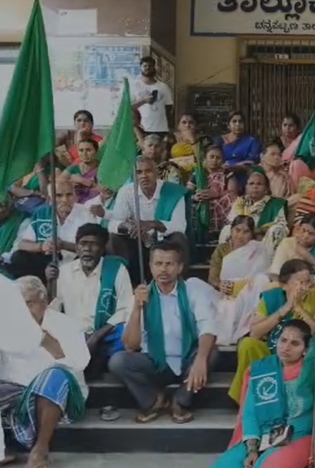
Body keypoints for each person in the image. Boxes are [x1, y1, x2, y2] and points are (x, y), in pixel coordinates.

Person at [108, 242, 218, 424]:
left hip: (187, 359)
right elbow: (130, 345)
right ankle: (155, 400)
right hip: (156, 362)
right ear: (151, 267)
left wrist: (200, 360)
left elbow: (208, 328)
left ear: (180, 267)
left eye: (169, 264)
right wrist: (137, 308)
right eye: (158, 264)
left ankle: (180, 400)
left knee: (210, 353)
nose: (163, 269)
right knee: (118, 361)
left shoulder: (193, 291)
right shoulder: (141, 294)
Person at [0, 277, 90, 468]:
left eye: (28, 304)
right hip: (19, 396)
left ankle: (40, 450)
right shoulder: (9, 326)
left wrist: (50, 344)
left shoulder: (66, 324)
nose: (23, 311)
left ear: (44, 300)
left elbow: (79, 364)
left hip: (60, 397)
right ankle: (5, 448)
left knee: (54, 375)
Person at [211, 320, 315, 468]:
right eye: (283, 340)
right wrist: (252, 449)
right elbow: (250, 413)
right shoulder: (263, 370)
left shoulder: (312, 373)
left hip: (297, 436)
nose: (286, 347)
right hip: (263, 435)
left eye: (295, 343)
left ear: (305, 349)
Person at [229, 259, 315, 403]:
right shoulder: (271, 297)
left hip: (302, 355)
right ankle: (247, 402)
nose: (305, 287)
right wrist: (285, 309)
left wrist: (297, 308)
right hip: (273, 351)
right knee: (248, 344)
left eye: (308, 282)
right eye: (299, 283)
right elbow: (255, 332)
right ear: (284, 285)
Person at [45, 224, 132, 372]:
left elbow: (125, 309)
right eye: (83, 244)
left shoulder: (117, 270)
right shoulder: (64, 272)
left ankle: (95, 360)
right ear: (77, 247)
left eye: (93, 244)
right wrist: (49, 282)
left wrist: (96, 336)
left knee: (126, 332)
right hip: (76, 336)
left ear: (103, 248)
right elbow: (52, 309)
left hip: (106, 335)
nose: (87, 249)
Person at [108, 157, 190, 286]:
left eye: (148, 171)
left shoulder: (173, 192)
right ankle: (129, 284)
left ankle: (176, 284)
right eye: (139, 172)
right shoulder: (126, 192)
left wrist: (154, 224)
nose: (144, 176)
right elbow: (113, 223)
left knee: (178, 238)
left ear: (156, 173)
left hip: (164, 240)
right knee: (115, 238)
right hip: (138, 240)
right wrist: (129, 227)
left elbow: (180, 226)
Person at [6, 178, 97, 281]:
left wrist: (64, 245)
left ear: (75, 196)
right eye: (59, 195)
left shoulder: (85, 214)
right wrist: (41, 247)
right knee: (18, 257)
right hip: (47, 262)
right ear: (49, 198)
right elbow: (23, 244)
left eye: (69, 195)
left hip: (75, 262)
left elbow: (94, 248)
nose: (65, 200)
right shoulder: (42, 213)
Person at [207, 215, 272, 346]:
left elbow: (265, 276)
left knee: (262, 280)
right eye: (237, 230)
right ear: (231, 230)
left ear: (251, 234)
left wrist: (244, 286)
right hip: (226, 292)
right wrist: (220, 285)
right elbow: (212, 278)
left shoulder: (258, 250)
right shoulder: (222, 249)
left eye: (246, 231)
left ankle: (250, 330)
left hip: (250, 292)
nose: (240, 235)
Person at [220, 169, 289, 250]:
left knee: (277, 230)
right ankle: (227, 255)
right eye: (251, 183)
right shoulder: (240, 203)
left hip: (263, 238)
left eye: (259, 184)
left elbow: (281, 225)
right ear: (246, 187)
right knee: (227, 229)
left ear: (266, 189)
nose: (255, 186)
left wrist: (259, 230)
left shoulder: (276, 204)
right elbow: (232, 221)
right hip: (241, 235)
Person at [187, 145, 235, 237]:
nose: (214, 160)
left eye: (218, 158)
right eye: (212, 157)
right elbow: (188, 192)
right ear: (206, 158)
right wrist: (195, 197)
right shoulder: (198, 173)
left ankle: (222, 232)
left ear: (223, 160)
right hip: (201, 203)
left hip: (220, 202)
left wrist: (216, 194)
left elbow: (233, 192)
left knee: (230, 199)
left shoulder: (227, 173)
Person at [270, 213, 315, 280]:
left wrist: (306, 256)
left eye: (311, 233)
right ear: (298, 228)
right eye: (303, 230)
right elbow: (275, 274)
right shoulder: (287, 243)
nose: (305, 236)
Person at [131, 56, 174, 136]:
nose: (147, 68)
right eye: (145, 66)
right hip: (142, 128)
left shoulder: (163, 87)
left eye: (150, 66)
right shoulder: (135, 86)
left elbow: (169, 107)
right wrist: (144, 101)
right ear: (140, 68)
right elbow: (129, 107)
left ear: (154, 68)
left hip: (161, 128)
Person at [62, 138, 100, 203]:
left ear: (96, 151)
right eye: (81, 150)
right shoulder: (73, 169)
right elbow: (57, 184)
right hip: (75, 204)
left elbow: (106, 190)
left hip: (96, 204)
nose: (84, 153)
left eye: (88, 150)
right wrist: (71, 180)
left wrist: (85, 181)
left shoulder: (102, 168)